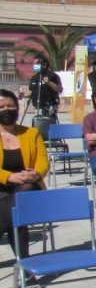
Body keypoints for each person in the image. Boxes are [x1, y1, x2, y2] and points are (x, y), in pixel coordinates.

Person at [0, 89, 47, 263]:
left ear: (17, 108)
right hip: (3, 191)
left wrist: (36, 173)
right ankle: (26, 271)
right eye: (2, 106)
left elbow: (43, 162)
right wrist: (9, 177)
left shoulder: (31, 134)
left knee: (24, 193)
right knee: (17, 215)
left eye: (10, 106)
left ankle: (26, 270)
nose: (6, 110)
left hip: (28, 187)